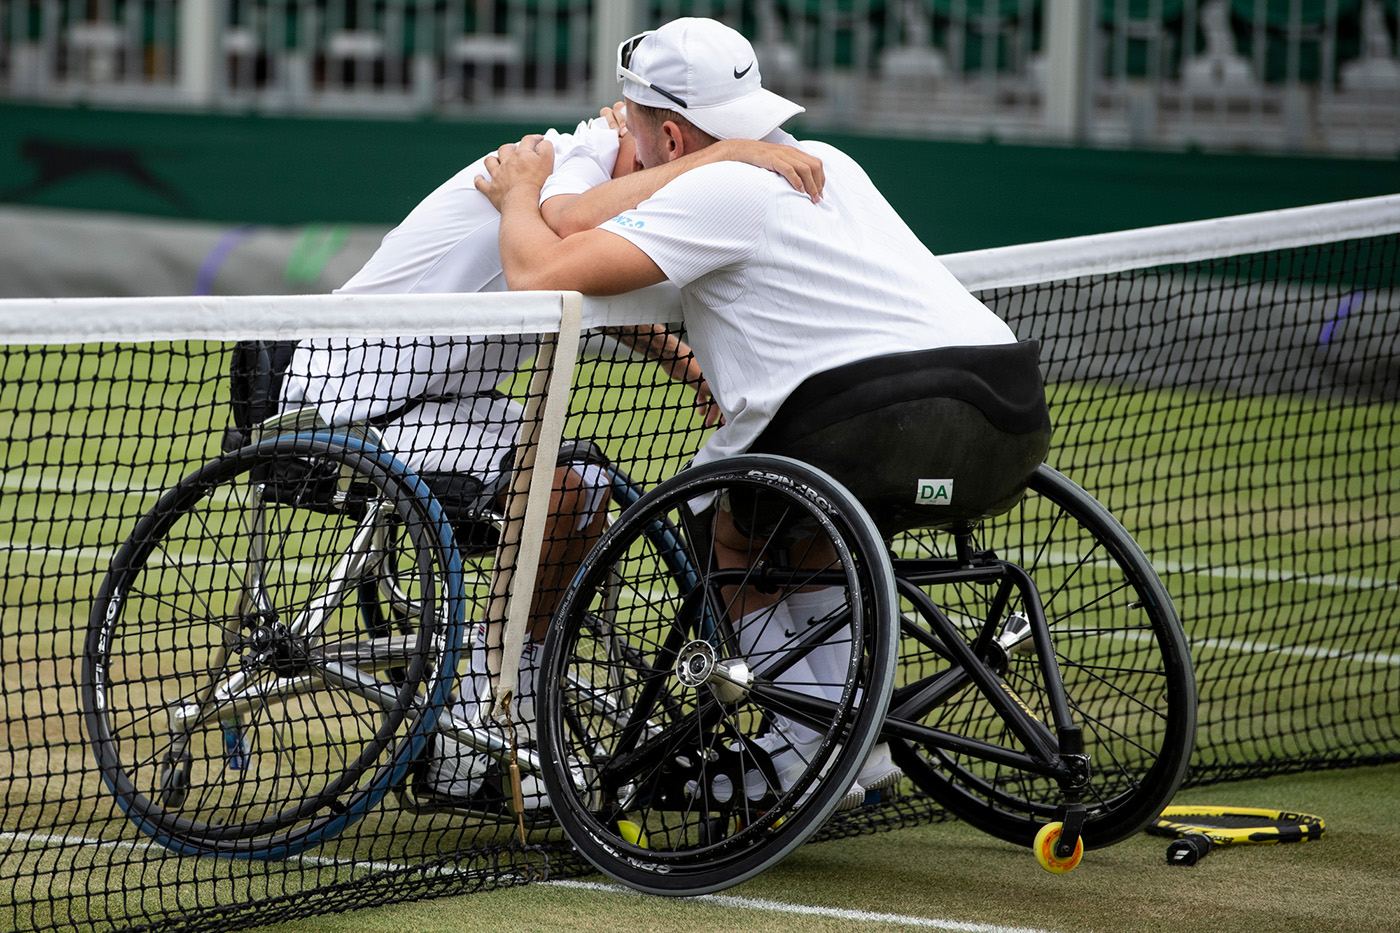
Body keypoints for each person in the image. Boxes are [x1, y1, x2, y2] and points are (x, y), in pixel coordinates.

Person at [475, 17, 1053, 809]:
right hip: (1008, 412)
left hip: (880, 418)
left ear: (671, 136)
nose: (629, 145)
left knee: (733, 530)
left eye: (632, 128)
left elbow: (541, 271)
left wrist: (517, 195)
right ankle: (860, 745)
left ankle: (797, 751)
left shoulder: (717, 185)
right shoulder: (831, 163)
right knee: (802, 525)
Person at [280, 109, 828, 811]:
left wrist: (687, 367)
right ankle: (471, 732)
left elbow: (598, 286)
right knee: (563, 483)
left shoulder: (587, 170)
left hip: (445, 399)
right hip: (350, 395)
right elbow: (569, 253)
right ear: (655, 142)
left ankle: (519, 672)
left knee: (584, 480)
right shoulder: (545, 172)